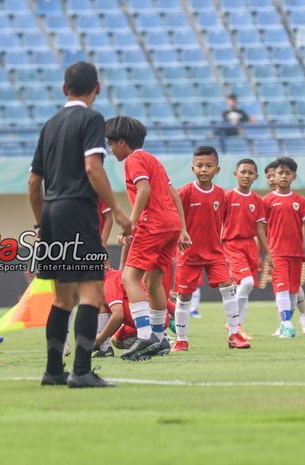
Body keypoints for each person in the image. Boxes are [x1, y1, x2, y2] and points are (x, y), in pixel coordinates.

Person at [29, 62, 130, 388]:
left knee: (63, 298)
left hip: (52, 212)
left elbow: (34, 181)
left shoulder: (50, 124)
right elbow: (92, 167)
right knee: (92, 291)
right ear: (96, 89)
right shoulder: (91, 119)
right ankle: (82, 370)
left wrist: (41, 222)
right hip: (77, 210)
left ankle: (53, 371)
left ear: (64, 89)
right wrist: (115, 208)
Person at [105, 116, 190, 362]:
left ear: (122, 142)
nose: (111, 149)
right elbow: (173, 194)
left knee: (129, 277)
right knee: (154, 283)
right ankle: (160, 338)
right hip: (171, 225)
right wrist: (182, 228)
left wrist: (129, 224)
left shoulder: (133, 160)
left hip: (151, 224)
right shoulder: (154, 160)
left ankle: (145, 336)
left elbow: (144, 190)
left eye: (111, 144)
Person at [172, 146, 250, 351]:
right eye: (199, 165)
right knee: (184, 296)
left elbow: (224, 221)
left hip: (215, 253)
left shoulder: (220, 195)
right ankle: (182, 340)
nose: (203, 169)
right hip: (189, 254)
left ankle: (234, 334)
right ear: (192, 168)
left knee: (228, 288)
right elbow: (172, 215)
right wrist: (180, 232)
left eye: (208, 165)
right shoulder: (185, 192)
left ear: (217, 169)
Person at [263, 157, 305, 338]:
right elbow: (260, 229)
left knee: (294, 290)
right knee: (282, 288)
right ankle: (286, 324)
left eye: (288, 173)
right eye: (280, 173)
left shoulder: (300, 200)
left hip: (296, 252)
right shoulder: (267, 201)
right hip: (276, 252)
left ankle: (285, 323)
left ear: (294, 177)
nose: (283, 176)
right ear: (274, 175)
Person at [222, 159, 271, 340]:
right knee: (248, 283)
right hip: (232, 244)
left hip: (250, 246)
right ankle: (233, 321)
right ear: (236, 174)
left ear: (255, 177)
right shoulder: (227, 197)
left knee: (246, 287)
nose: (246, 175)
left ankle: (237, 328)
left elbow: (260, 230)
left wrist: (268, 253)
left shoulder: (257, 201)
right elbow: (217, 220)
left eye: (250, 173)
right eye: (243, 172)